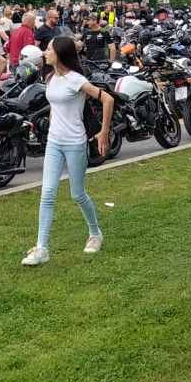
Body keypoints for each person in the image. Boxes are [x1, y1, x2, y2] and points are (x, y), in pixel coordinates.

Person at [21, 35, 114, 267]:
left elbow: (108, 100)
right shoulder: (50, 77)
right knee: (47, 193)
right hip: (54, 143)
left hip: (75, 144)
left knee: (77, 194)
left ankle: (95, 233)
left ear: (60, 54)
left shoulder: (76, 80)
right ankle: (42, 248)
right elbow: (55, 107)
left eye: (49, 49)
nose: (45, 52)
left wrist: (103, 132)